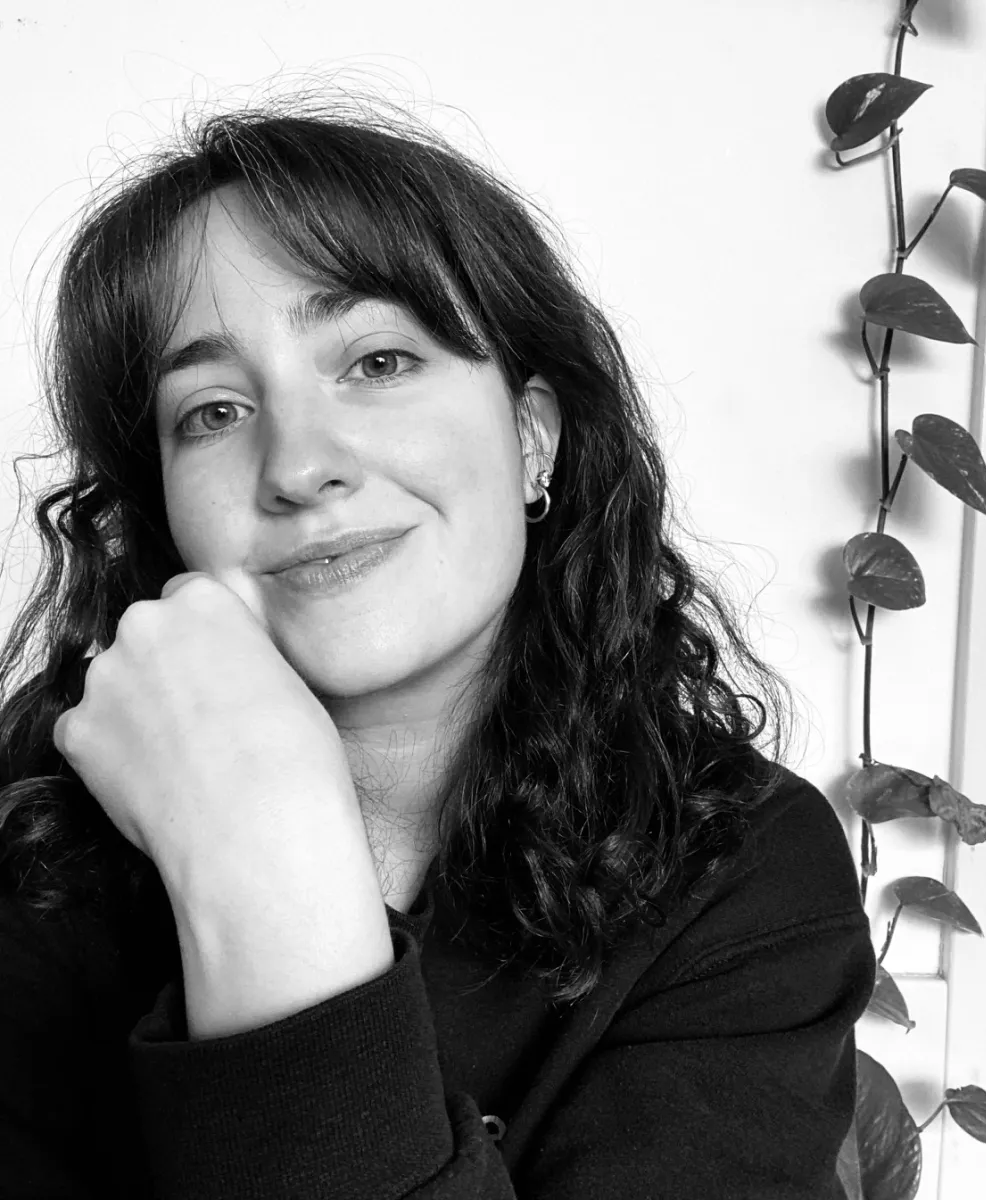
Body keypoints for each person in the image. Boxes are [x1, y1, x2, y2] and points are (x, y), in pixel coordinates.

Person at [0, 90, 876, 1199]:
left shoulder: (740, 868)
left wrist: (264, 873)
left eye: (375, 362)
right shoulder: (28, 841)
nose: (299, 464)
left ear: (530, 440)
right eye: (212, 411)